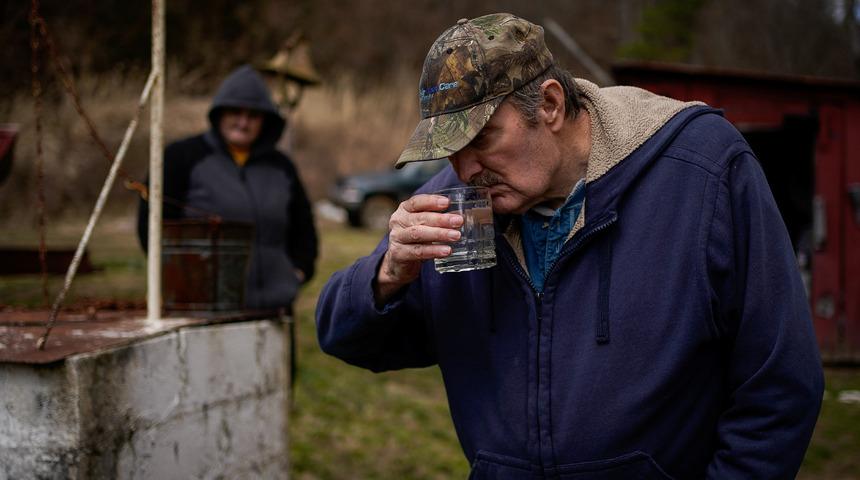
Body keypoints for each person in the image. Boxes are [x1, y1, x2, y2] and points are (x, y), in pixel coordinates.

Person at [315, 13, 824, 479]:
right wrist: (387, 273)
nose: (466, 170)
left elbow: (780, 385)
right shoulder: (451, 205)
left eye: (484, 138)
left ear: (552, 104)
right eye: (450, 150)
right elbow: (343, 337)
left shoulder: (701, 171)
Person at [138, 64, 317, 311]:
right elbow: (152, 224)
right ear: (219, 113)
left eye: (253, 115)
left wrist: (297, 273)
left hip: (273, 308)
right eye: (235, 112)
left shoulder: (281, 167)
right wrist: (180, 279)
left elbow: (304, 227)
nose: (243, 123)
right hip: (202, 309)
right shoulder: (182, 157)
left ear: (265, 120)